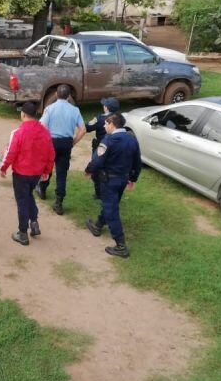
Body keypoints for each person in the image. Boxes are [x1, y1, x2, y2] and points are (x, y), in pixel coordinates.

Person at [84, 113, 142, 258]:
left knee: (111, 210)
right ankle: (98, 225)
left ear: (112, 124)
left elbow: (97, 161)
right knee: (111, 203)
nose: (104, 126)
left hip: (109, 180)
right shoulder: (132, 139)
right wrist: (133, 178)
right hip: (122, 180)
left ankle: (121, 245)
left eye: (105, 124)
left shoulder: (109, 140)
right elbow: (137, 162)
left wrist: (89, 170)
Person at [0, 102, 55, 246]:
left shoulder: (17, 132)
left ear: (23, 114)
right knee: (28, 195)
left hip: (21, 173)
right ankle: (34, 222)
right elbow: (51, 153)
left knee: (22, 201)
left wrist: (3, 167)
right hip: (36, 173)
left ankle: (22, 232)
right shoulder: (45, 132)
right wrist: (47, 171)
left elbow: (11, 152)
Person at [37, 85, 86, 215]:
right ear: (69, 96)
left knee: (47, 167)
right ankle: (58, 202)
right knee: (62, 172)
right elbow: (83, 129)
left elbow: (41, 126)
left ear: (57, 95)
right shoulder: (75, 110)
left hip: (52, 142)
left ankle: (42, 188)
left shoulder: (49, 109)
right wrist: (73, 142)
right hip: (66, 143)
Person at [86, 97, 120, 199]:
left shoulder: (101, 118)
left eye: (104, 105)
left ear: (107, 108)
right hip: (115, 148)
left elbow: (87, 127)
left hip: (101, 148)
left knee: (96, 171)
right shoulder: (120, 118)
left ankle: (99, 193)